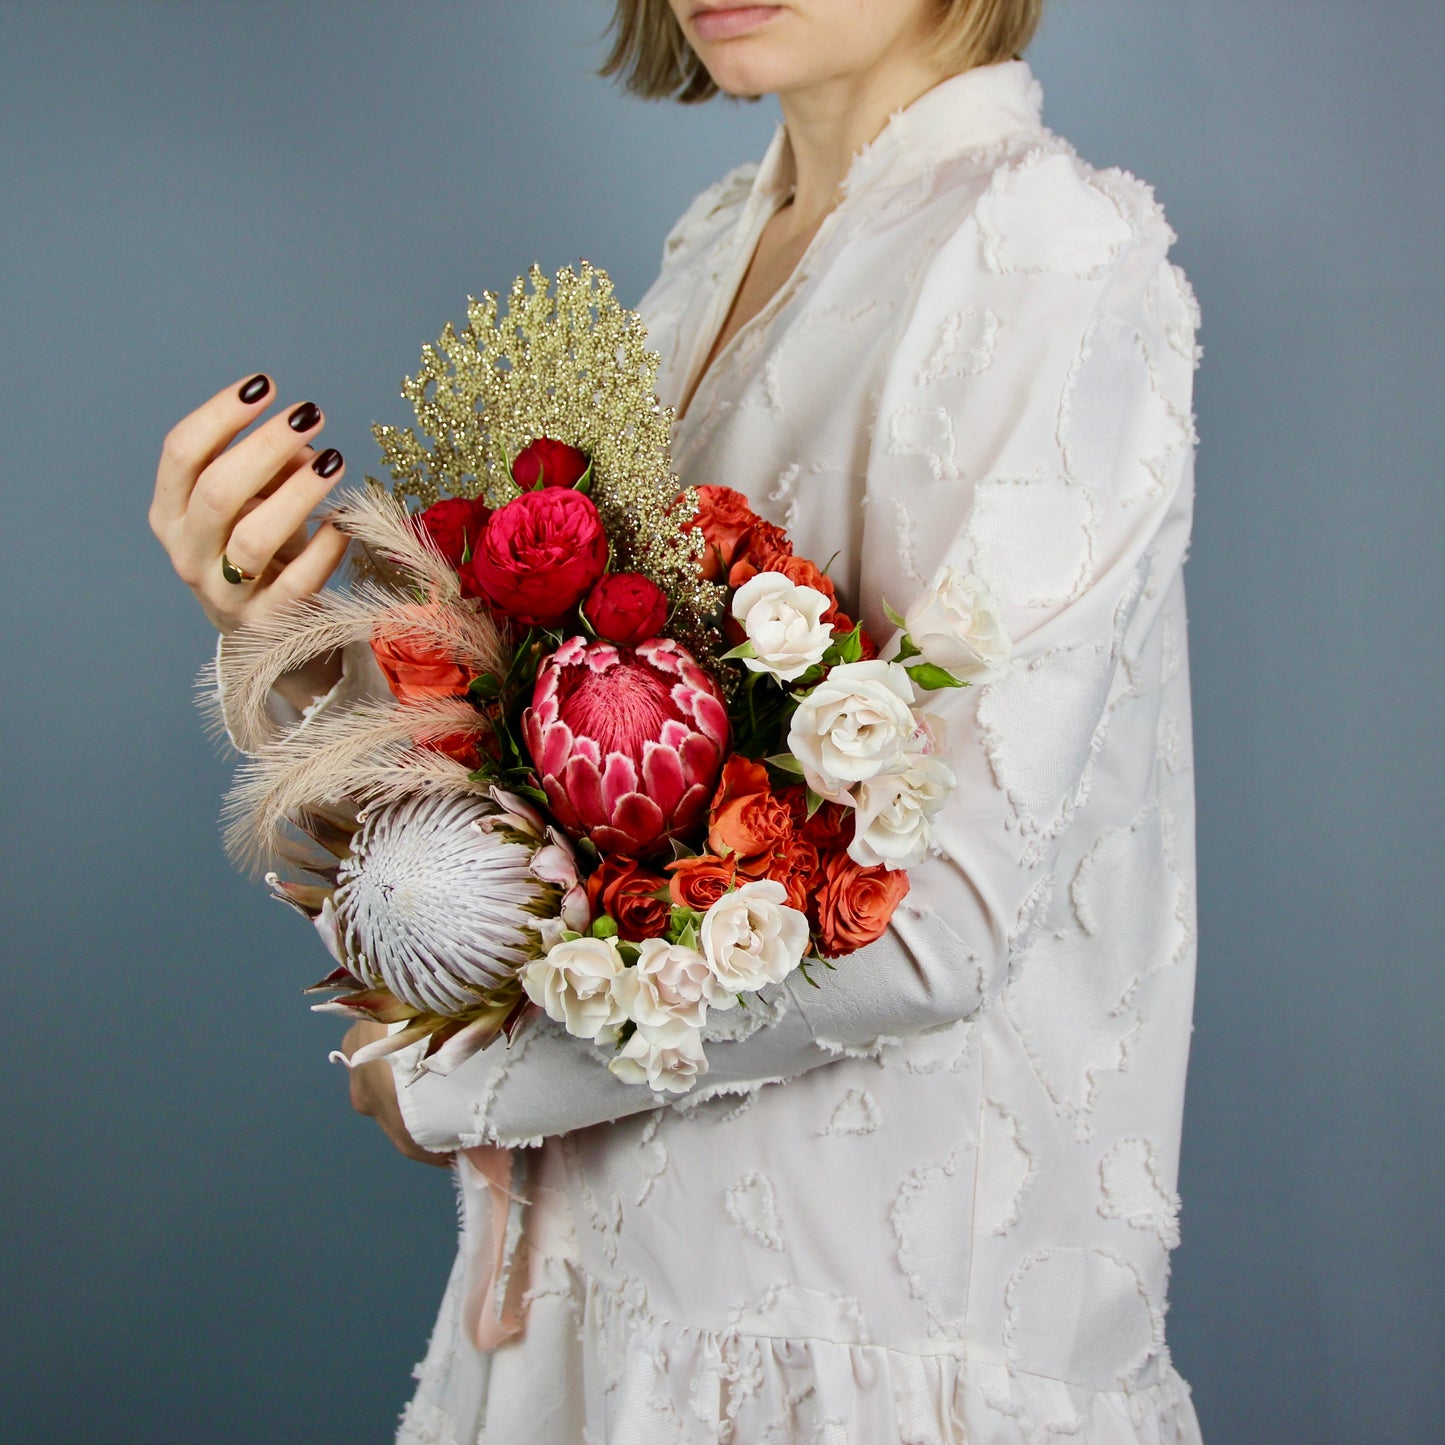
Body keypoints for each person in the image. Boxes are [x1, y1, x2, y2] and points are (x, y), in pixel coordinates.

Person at [151, 1, 1205, 1439]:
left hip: (837, 1361)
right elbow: (550, 828)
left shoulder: (1041, 256)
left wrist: (453, 1081)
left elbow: (934, 912)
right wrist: (283, 635)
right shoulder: (716, 246)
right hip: (588, 1320)